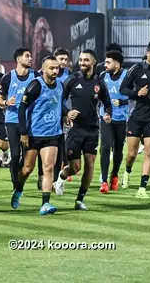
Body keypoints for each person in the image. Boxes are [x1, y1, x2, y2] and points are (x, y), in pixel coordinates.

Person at [54, 50, 112, 210]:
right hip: (75, 130)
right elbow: (59, 100)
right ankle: (62, 176)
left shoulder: (99, 83)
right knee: (75, 167)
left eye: (86, 60)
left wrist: (108, 114)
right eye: (80, 60)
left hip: (92, 130)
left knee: (90, 164)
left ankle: (80, 200)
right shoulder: (72, 79)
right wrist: (67, 113)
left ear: (93, 62)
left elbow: (107, 103)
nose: (82, 63)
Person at [11, 56, 65, 215]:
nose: (55, 71)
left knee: (48, 168)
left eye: (57, 68)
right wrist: (23, 132)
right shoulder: (35, 85)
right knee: (27, 169)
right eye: (52, 68)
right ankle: (18, 190)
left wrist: (67, 115)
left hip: (53, 134)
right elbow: (22, 108)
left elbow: (60, 104)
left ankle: (45, 204)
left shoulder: (60, 85)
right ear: (43, 69)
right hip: (34, 134)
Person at [119, 40, 150, 199]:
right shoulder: (137, 69)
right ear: (147, 53)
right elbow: (123, 89)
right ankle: (127, 171)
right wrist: (137, 93)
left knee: (149, 153)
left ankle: (142, 187)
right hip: (136, 117)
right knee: (132, 154)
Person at [0, 48, 36, 189]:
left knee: (27, 157)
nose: (30, 58)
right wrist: (6, 103)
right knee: (15, 155)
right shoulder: (8, 78)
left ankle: (23, 178)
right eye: (27, 56)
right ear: (19, 59)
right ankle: (15, 184)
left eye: (30, 56)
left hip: (30, 122)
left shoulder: (35, 76)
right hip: (12, 120)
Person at [37, 48, 73, 189]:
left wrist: (66, 114)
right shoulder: (41, 79)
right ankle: (42, 175)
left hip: (60, 117)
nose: (63, 62)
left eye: (65, 59)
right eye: (60, 59)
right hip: (43, 120)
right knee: (43, 152)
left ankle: (53, 180)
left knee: (59, 149)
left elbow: (62, 100)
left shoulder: (69, 77)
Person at [98, 50, 129, 193]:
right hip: (105, 117)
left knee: (118, 150)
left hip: (121, 118)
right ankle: (104, 181)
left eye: (108, 62)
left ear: (117, 64)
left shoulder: (127, 76)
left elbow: (135, 94)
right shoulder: (103, 76)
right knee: (105, 147)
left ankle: (114, 174)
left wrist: (122, 101)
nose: (105, 64)